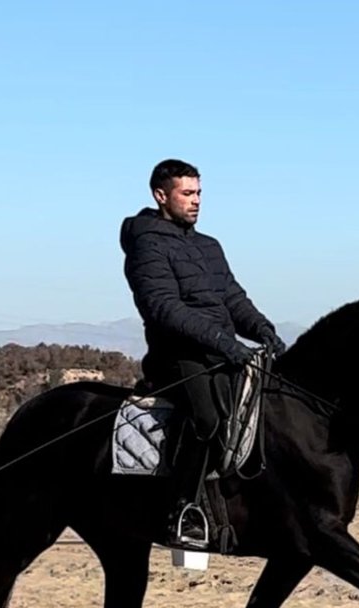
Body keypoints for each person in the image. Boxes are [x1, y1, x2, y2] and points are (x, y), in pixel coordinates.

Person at [120, 159, 286, 548]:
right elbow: (163, 307)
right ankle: (181, 511)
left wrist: (263, 330)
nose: (196, 201)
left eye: (199, 193)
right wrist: (225, 343)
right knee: (208, 419)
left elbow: (232, 298)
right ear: (161, 196)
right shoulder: (147, 245)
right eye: (187, 193)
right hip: (178, 356)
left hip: (220, 351)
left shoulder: (208, 246)